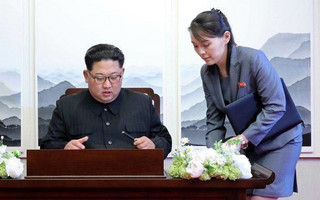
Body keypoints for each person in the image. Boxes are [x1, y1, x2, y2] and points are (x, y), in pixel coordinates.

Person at [189, 8, 302, 200]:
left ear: (226, 37)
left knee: (258, 199)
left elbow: (276, 106)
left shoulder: (254, 59)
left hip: (280, 142)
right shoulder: (206, 73)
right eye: (195, 46)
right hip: (251, 146)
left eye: (205, 44)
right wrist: (211, 156)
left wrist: (242, 139)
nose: (201, 52)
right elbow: (214, 120)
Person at [40, 44, 172, 158]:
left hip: (133, 180)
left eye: (114, 77)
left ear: (122, 73)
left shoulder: (142, 103)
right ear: (86, 76)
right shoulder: (66, 106)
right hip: (84, 181)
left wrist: (154, 145)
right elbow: (48, 145)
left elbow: (165, 139)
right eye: (99, 78)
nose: (107, 85)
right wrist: (65, 148)